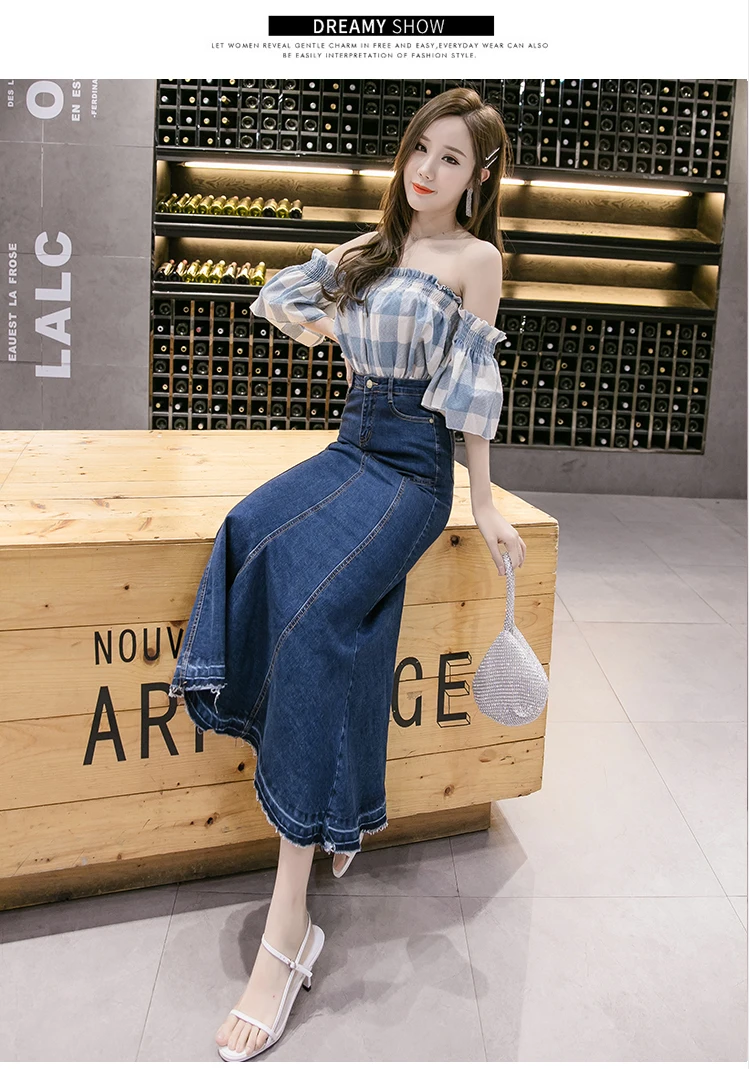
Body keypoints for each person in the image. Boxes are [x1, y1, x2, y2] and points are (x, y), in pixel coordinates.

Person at [168, 85, 527, 1061]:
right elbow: (281, 296)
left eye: (452, 159)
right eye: (421, 149)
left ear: (479, 177)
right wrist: (341, 330)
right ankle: (332, 808)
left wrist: (483, 500)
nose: (428, 170)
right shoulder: (372, 248)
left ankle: (287, 929)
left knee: (321, 621)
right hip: (349, 445)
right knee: (245, 529)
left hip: (411, 472)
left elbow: (473, 394)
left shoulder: (475, 260)